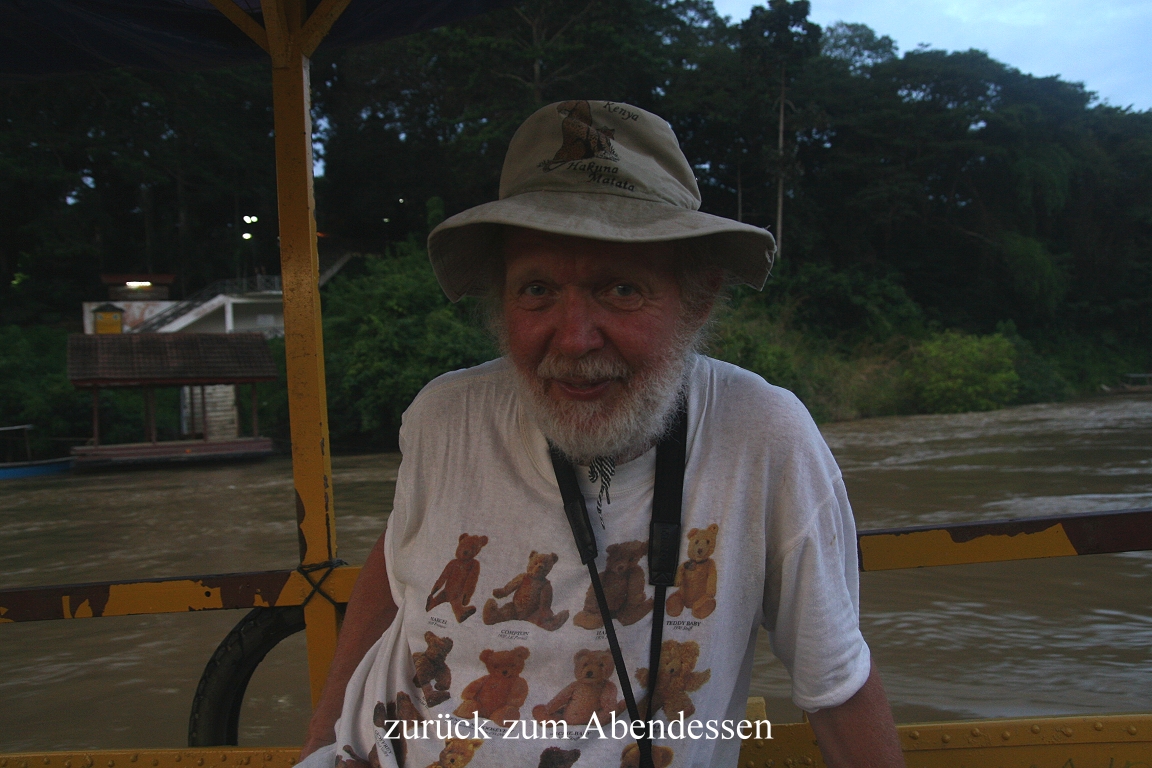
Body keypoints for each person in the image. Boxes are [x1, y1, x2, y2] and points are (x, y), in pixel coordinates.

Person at [299, 100, 904, 768]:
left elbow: (835, 685)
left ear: (697, 298)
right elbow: (397, 568)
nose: (574, 339)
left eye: (620, 289)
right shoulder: (444, 417)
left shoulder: (763, 435)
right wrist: (320, 743)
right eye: (536, 290)